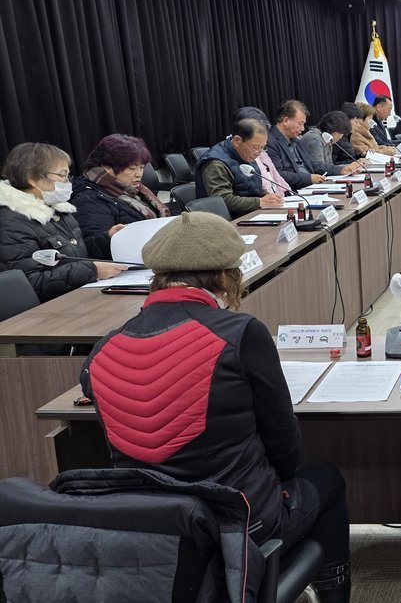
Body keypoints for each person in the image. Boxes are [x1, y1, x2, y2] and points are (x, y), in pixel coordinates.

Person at [80, 211, 352, 602]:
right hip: (239, 523)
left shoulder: (105, 347)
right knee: (326, 477)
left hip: (151, 527)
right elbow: (284, 440)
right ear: (227, 277)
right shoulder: (240, 334)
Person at [0, 141, 127, 301]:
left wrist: (107, 238)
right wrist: (91, 270)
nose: (67, 182)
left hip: (78, 297)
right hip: (51, 308)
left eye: (68, 176)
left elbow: (74, 256)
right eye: (61, 175)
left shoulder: (58, 209)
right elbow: (28, 284)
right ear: (32, 178)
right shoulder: (11, 223)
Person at [71, 134, 170, 258]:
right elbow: (89, 247)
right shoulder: (88, 199)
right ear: (106, 168)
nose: (139, 174)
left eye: (141, 167)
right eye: (132, 168)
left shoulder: (132, 189)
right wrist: (109, 237)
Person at [195, 118, 285, 217]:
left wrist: (267, 196)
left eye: (262, 148)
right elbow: (222, 200)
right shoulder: (216, 163)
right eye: (256, 147)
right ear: (237, 141)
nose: (259, 153)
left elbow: (252, 188)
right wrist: (259, 201)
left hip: (250, 215)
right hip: (225, 221)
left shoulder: (246, 154)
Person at [267, 100, 329, 188]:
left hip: (310, 186)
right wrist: (309, 178)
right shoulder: (270, 141)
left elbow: (314, 165)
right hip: (294, 190)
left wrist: (341, 169)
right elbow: (277, 175)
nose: (303, 128)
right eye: (300, 123)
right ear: (286, 121)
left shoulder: (295, 140)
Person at [297, 111, 362, 176]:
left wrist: (348, 167)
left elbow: (329, 166)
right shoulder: (314, 139)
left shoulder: (326, 139)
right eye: (341, 132)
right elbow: (319, 168)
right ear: (333, 128)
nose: (341, 136)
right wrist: (342, 169)